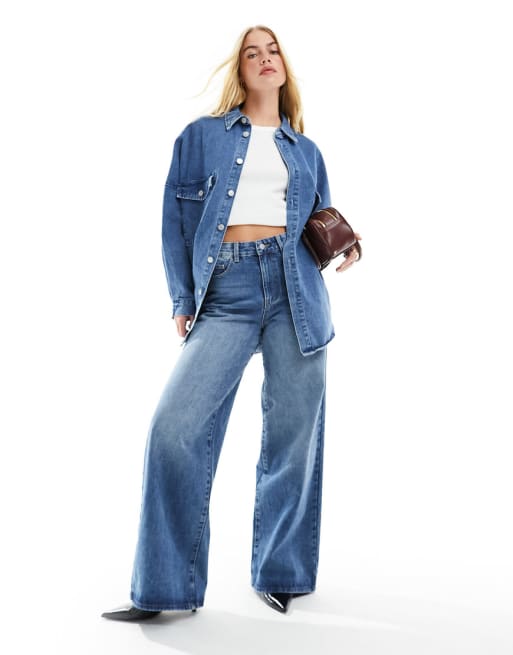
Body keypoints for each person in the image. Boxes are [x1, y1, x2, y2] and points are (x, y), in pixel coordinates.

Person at [101, 24, 361, 622]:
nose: (265, 59)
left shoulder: (306, 150)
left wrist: (348, 242)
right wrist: (181, 297)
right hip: (226, 291)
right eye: (252, 53)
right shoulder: (200, 138)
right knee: (173, 429)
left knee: (293, 438)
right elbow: (174, 221)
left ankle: (282, 574)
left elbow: (318, 222)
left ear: (284, 67)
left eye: (273, 51)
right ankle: (164, 589)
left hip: (297, 291)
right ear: (239, 70)